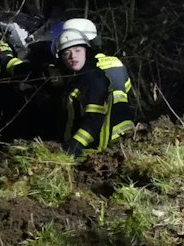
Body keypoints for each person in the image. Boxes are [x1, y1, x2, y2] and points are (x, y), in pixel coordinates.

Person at [53, 18, 135, 155]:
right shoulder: (115, 63)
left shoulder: (89, 76)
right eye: (67, 51)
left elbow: (93, 117)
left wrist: (74, 146)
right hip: (127, 135)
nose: (72, 55)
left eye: (77, 49)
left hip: (99, 143)